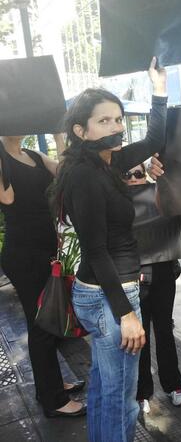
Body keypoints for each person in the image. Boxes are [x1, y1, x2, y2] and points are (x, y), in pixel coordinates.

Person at [52, 58, 167, 442]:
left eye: (118, 119)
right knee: (122, 402)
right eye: (105, 121)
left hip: (107, 292)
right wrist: (127, 315)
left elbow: (153, 141)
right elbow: (96, 250)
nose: (116, 127)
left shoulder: (106, 160)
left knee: (105, 392)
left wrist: (159, 88)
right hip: (109, 295)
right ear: (80, 130)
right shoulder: (85, 175)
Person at [0, 135, 86, 418]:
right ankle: (53, 399)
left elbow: (65, 170)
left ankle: (50, 385)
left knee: (49, 319)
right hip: (24, 253)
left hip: (45, 248)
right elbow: (7, 197)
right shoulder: (3, 157)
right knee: (41, 324)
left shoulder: (34, 155)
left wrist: (59, 133)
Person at [123, 164, 181, 414]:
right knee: (139, 337)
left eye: (139, 173)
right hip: (131, 278)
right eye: (127, 174)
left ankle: (174, 385)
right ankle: (142, 392)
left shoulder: (159, 197)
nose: (133, 179)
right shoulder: (118, 204)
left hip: (162, 275)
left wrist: (160, 179)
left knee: (164, 330)